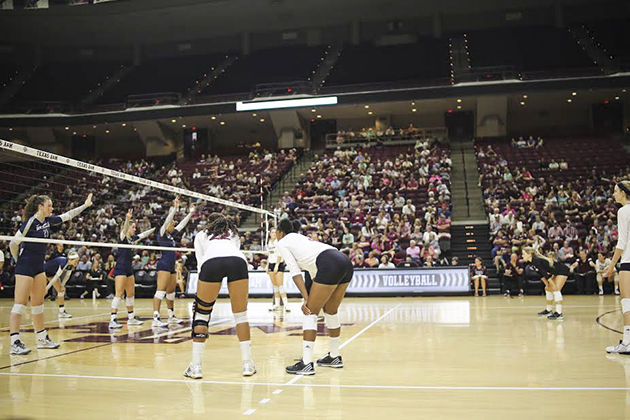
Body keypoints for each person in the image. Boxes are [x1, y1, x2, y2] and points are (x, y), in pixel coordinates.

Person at [8, 193, 92, 355]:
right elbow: (13, 243)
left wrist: (85, 206)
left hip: (39, 268)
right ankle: (14, 342)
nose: (52, 209)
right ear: (40, 207)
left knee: (38, 305)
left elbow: (67, 216)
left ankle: (42, 338)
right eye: (49, 206)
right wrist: (18, 260)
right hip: (25, 267)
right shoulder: (30, 223)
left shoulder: (47, 222)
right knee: (19, 304)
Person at [276, 218, 353, 375]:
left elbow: (295, 272)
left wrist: (306, 298)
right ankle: (334, 356)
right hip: (344, 261)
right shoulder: (302, 239)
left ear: (280, 232)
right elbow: (312, 273)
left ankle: (306, 362)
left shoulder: (282, 242)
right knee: (331, 311)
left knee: (309, 312)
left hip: (329, 262)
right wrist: (308, 296)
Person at [185, 213, 255, 379]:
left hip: (211, 262)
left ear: (209, 224)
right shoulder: (233, 234)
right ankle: (247, 364)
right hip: (237, 261)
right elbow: (233, 252)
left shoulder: (201, 235)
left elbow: (201, 264)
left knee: (201, 316)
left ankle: (196, 367)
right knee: (241, 316)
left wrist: (200, 296)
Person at [109, 208, 155, 329]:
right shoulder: (123, 237)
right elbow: (124, 230)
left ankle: (131, 318)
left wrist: (156, 228)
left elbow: (144, 234)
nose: (135, 229)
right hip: (120, 268)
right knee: (119, 294)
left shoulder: (132, 239)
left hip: (129, 269)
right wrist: (127, 219)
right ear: (128, 228)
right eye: (133, 227)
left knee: (131, 293)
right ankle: (113, 319)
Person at [153, 197, 194, 327]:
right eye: (172, 223)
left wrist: (190, 213)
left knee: (171, 293)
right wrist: (175, 208)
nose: (173, 224)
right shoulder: (161, 234)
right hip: (163, 265)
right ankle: (156, 318)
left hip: (171, 266)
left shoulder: (171, 236)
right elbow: (167, 221)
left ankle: (171, 316)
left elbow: (182, 225)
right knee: (161, 291)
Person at [605, 181, 630, 354]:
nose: (613, 194)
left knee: (627, 302)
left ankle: (627, 342)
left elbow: (621, 243)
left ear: (622, 192)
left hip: (628, 261)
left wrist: (611, 266)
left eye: (615, 191)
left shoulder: (623, 211)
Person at [522, 246, 568, 320]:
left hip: (562, 270)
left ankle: (559, 313)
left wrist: (551, 283)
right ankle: (548, 310)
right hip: (555, 272)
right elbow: (541, 274)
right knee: (548, 289)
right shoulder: (531, 262)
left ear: (529, 254)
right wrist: (547, 284)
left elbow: (544, 273)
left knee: (556, 289)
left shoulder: (536, 260)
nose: (522, 256)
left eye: (523, 254)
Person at [44, 250, 80, 318]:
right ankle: (35, 310)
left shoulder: (71, 266)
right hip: (43, 271)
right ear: (70, 259)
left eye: (77, 261)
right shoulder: (63, 263)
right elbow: (57, 276)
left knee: (61, 290)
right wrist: (47, 288)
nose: (77, 263)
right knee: (42, 292)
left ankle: (61, 312)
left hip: (51, 274)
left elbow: (67, 276)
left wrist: (62, 285)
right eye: (75, 261)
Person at [266, 227, 290, 312]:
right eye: (272, 232)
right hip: (271, 264)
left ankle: (286, 305)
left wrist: (277, 265)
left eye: (275, 232)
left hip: (278, 264)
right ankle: (276, 305)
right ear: (270, 234)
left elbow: (280, 255)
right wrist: (267, 266)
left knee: (280, 286)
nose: (273, 234)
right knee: (275, 286)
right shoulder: (269, 242)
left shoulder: (279, 242)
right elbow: (269, 255)